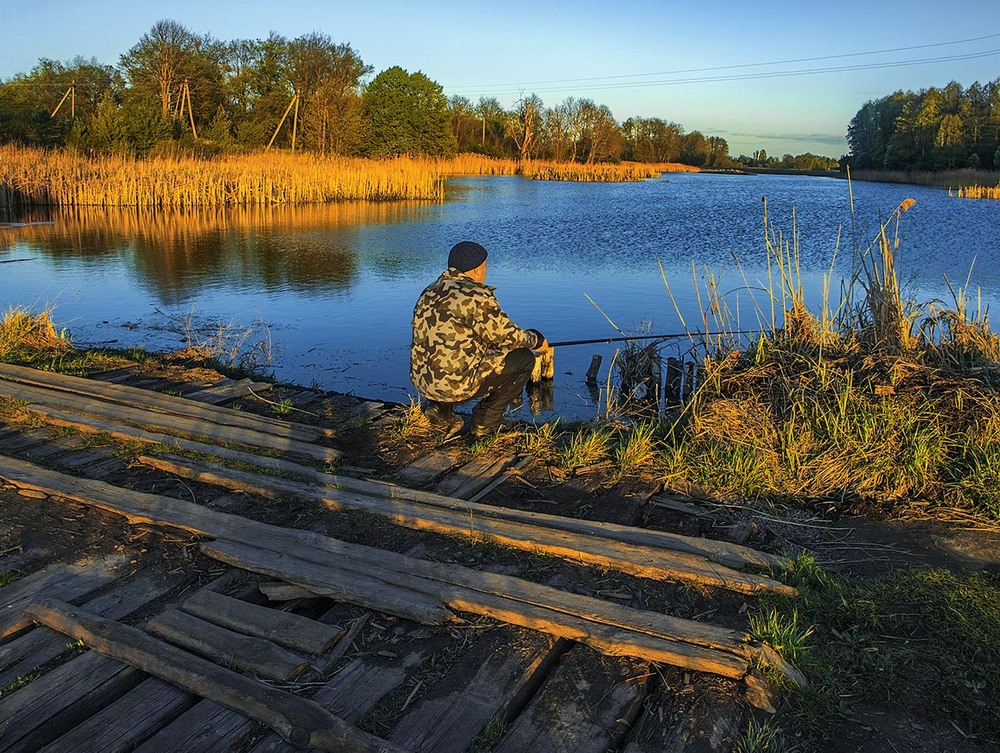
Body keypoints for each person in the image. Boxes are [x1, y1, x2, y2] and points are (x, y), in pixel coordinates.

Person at [410, 240, 550, 438]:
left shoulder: (430, 290)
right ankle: (486, 422)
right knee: (524, 358)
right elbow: (506, 335)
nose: (485, 272)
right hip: (453, 385)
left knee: (454, 352)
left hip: (424, 382)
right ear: (476, 269)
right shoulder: (475, 295)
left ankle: (440, 408)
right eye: (485, 267)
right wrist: (536, 339)